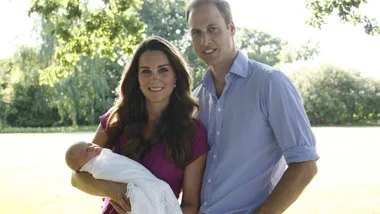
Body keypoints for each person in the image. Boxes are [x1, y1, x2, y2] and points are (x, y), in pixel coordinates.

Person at [186, 0, 320, 213]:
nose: (205, 40)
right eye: (196, 33)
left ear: (231, 28)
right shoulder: (196, 99)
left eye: (213, 29)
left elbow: (305, 165)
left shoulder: (270, 84)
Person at [70, 36, 208, 214]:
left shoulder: (193, 133)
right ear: (137, 77)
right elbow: (77, 177)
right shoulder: (116, 118)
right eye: (146, 71)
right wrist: (115, 191)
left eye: (163, 70)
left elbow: (190, 204)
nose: (154, 79)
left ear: (176, 76)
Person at [65, 141, 182, 214]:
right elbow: (75, 179)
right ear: (80, 167)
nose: (90, 147)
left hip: (148, 184)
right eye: (85, 152)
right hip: (126, 201)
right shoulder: (97, 166)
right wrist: (123, 192)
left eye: (89, 144)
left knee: (160, 191)